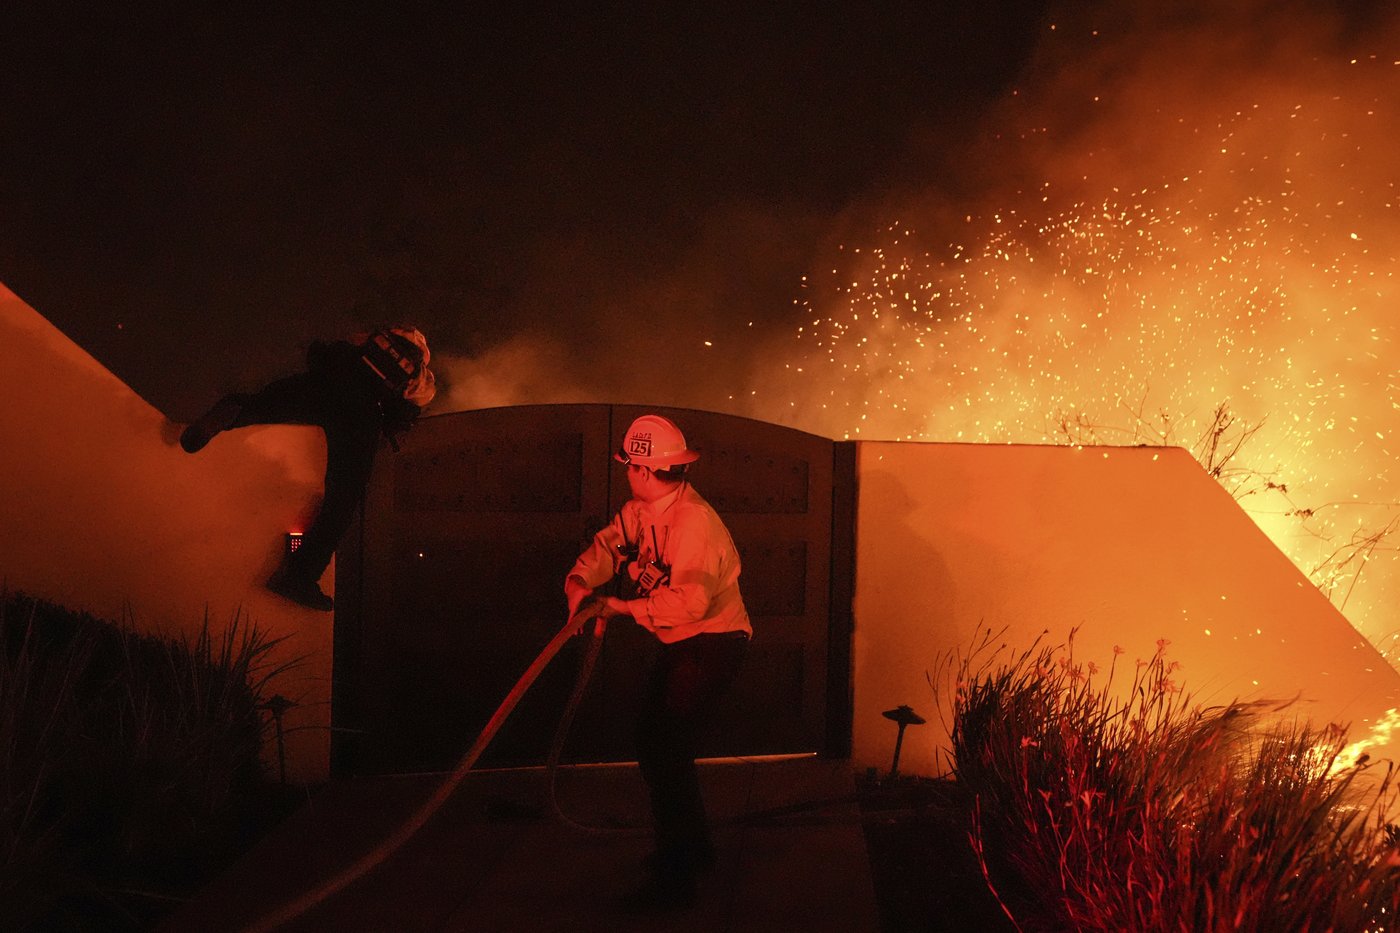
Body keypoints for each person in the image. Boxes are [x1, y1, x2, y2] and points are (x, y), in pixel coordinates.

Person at [564, 413, 751, 910]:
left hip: (711, 642)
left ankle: (676, 880)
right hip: (683, 642)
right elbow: (608, 546)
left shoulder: (694, 524)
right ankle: (694, 849)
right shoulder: (642, 511)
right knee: (658, 745)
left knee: (665, 751)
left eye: (629, 465)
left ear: (644, 470)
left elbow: (690, 603)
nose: (626, 472)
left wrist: (619, 606)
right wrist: (580, 584)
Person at [180, 326, 436, 611]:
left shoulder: (374, 337)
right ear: (423, 352)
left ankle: (233, 411)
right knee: (342, 503)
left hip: (325, 385)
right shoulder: (420, 374)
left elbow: (325, 352)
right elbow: (409, 410)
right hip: (360, 416)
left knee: (271, 403)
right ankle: (298, 579)